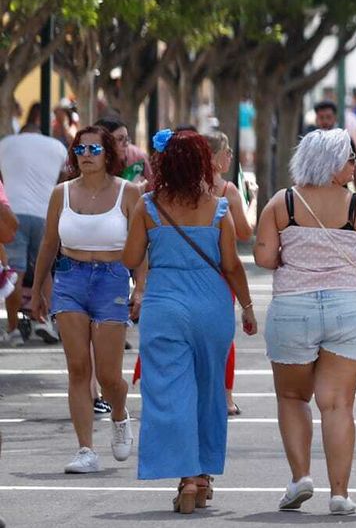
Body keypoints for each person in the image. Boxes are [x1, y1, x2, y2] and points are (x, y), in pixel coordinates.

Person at [253, 130, 356, 515]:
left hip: (293, 307)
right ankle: (340, 493)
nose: (355, 165)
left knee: (292, 397)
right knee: (338, 404)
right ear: (331, 164)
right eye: (350, 158)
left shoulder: (282, 203)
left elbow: (263, 257)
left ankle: (300, 477)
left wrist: (290, 255)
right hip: (350, 309)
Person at [122, 130, 256, 514]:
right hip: (211, 305)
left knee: (169, 391)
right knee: (210, 390)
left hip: (164, 305)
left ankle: (186, 477)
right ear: (202, 163)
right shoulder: (218, 208)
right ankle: (203, 474)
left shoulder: (148, 205)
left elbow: (130, 258)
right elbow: (232, 265)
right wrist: (247, 306)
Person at [28, 126, 140, 473]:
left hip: (112, 279)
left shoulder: (128, 192)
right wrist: (37, 289)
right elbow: (49, 243)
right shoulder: (61, 193)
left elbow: (142, 245)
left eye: (94, 149)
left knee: (109, 376)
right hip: (70, 279)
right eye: (80, 149)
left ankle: (119, 414)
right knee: (78, 368)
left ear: (108, 154)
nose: (86, 155)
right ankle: (85, 449)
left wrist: (142, 287)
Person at [0, 105, 69, 345]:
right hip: (45, 214)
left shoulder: (5, 144)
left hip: (14, 214)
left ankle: (13, 329)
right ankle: (43, 320)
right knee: (45, 269)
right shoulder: (57, 147)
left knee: (14, 273)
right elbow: (64, 180)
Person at [203, 131, 252, 417]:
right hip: (221, 272)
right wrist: (251, 203)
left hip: (189, 271)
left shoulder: (181, 188)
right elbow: (245, 233)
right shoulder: (227, 191)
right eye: (227, 152)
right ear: (214, 159)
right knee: (222, 336)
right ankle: (226, 395)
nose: (231, 156)